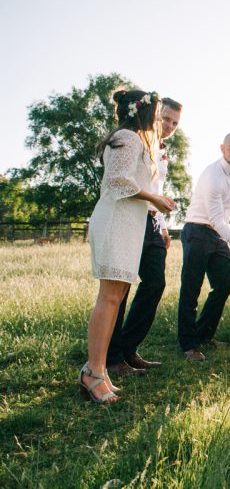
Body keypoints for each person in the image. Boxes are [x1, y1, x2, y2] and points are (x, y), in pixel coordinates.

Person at [79, 89, 176, 403]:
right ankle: (93, 371)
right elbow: (116, 181)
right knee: (109, 298)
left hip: (126, 223)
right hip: (115, 222)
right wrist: (154, 197)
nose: (160, 119)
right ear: (144, 112)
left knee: (116, 296)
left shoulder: (134, 139)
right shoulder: (129, 138)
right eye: (158, 112)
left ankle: (100, 371)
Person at [106, 97, 182, 376]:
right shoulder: (134, 140)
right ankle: (113, 357)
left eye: (175, 123)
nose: (170, 126)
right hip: (131, 219)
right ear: (155, 115)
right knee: (121, 287)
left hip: (152, 222)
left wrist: (162, 225)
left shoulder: (162, 150)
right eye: (166, 119)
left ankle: (128, 347)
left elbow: (157, 187)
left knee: (155, 283)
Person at [177, 132, 230, 362]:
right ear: (222, 148)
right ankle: (188, 344)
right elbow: (215, 217)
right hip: (198, 230)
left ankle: (203, 335)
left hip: (218, 236)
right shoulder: (212, 176)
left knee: (223, 285)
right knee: (191, 289)